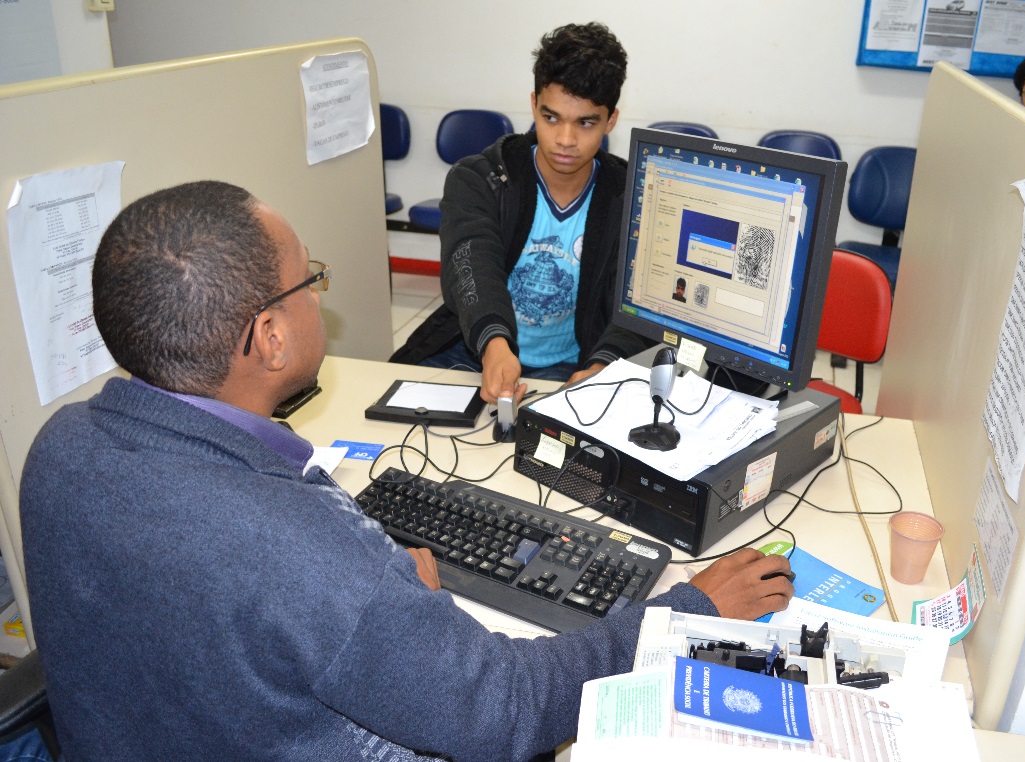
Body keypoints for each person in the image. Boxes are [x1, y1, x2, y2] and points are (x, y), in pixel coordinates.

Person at [19, 180, 795, 761]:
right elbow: (507, 712)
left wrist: (387, 615)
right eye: (307, 281)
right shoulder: (295, 550)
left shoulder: (59, 450)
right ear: (270, 338)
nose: (317, 297)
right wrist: (683, 610)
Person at [390, 22, 650, 404]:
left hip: (572, 365)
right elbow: (472, 263)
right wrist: (494, 345)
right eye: (551, 118)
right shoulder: (480, 178)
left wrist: (600, 370)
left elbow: (634, 306)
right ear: (533, 104)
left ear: (611, 119)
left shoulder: (631, 198)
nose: (565, 139)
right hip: (474, 348)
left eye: (585, 123)